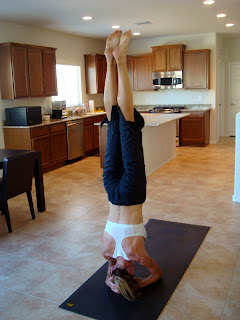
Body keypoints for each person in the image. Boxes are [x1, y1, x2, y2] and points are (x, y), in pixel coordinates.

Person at [101, 30, 162, 301]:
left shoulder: (138, 254)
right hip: (112, 189)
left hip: (132, 191)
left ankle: (121, 60)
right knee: (113, 118)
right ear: (114, 270)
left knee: (126, 120)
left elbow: (156, 275)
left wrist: (139, 285)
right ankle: (108, 60)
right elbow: (109, 273)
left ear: (133, 271)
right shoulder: (106, 252)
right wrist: (112, 279)